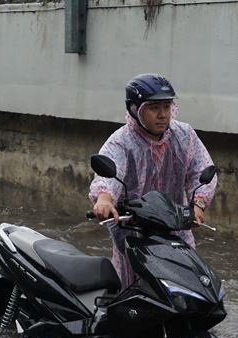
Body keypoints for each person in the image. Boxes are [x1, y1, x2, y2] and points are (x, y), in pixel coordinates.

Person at [89, 73, 217, 288]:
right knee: (133, 289)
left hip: (175, 226)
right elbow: (110, 171)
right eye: (154, 108)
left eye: (167, 108)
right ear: (135, 110)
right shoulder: (121, 141)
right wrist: (104, 198)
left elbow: (201, 170)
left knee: (191, 286)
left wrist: (198, 204)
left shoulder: (184, 135)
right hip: (132, 228)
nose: (163, 115)